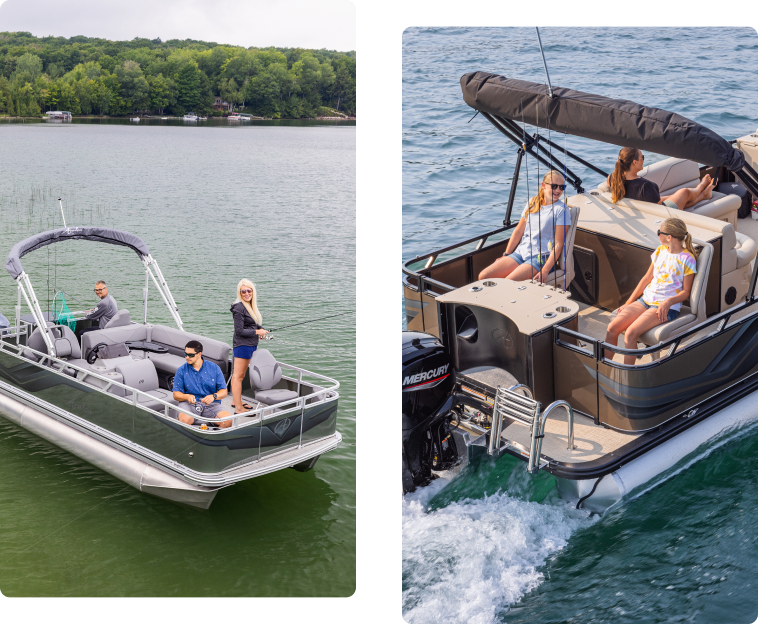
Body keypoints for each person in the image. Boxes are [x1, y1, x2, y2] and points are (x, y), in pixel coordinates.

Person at [604, 217, 698, 365]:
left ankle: (627, 376)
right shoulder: (660, 251)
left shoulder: (687, 259)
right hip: (645, 300)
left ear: (669, 237)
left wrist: (669, 301)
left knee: (630, 334)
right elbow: (646, 278)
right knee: (612, 327)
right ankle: (604, 368)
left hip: (665, 307)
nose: (658, 234)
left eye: (659, 232)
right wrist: (629, 302)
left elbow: (686, 292)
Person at [478, 170, 570, 282]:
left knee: (507, 283)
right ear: (543, 185)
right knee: (483, 276)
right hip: (522, 252)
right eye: (554, 186)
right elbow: (518, 231)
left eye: (562, 187)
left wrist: (545, 270)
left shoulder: (562, 210)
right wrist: (506, 254)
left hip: (541, 258)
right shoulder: (533, 202)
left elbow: (558, 244)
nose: (558, 190)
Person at [608, 147, 716, 210]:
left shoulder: (612, 178)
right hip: (660, 215)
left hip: (642, 209)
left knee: (672, 196)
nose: (643, 160)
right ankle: (701, 190)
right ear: (634, 162)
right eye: (642, 158)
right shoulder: (645, 186)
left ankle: (704, 194)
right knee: (684, 192)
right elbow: (660, 211)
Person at [172, 340, 233, 428]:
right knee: (185, 420)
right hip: (188, 404)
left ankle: (214, 440)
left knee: (227, 421)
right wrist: (187, 396)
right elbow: (176, 394)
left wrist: (213, 396)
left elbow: (224, 391)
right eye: (185, 354)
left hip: (212, 404)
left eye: (191, 355)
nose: (187, 357)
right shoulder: (181, 370)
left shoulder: (214, 368)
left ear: (199, 354)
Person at [229, 279, 267, 414]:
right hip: (243, 345)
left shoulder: (249, 305)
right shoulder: (239, 307)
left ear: (253, 291)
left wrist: (260, 329)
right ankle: (238, 408)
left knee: (238, 375)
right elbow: (239, 331)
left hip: (250, 344)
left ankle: (235, 401)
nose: (246, 293)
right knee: (238, 376)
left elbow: (252, 324)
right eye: (243, 291)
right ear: (240, 293)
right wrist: (257, 332)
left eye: (249, 290)